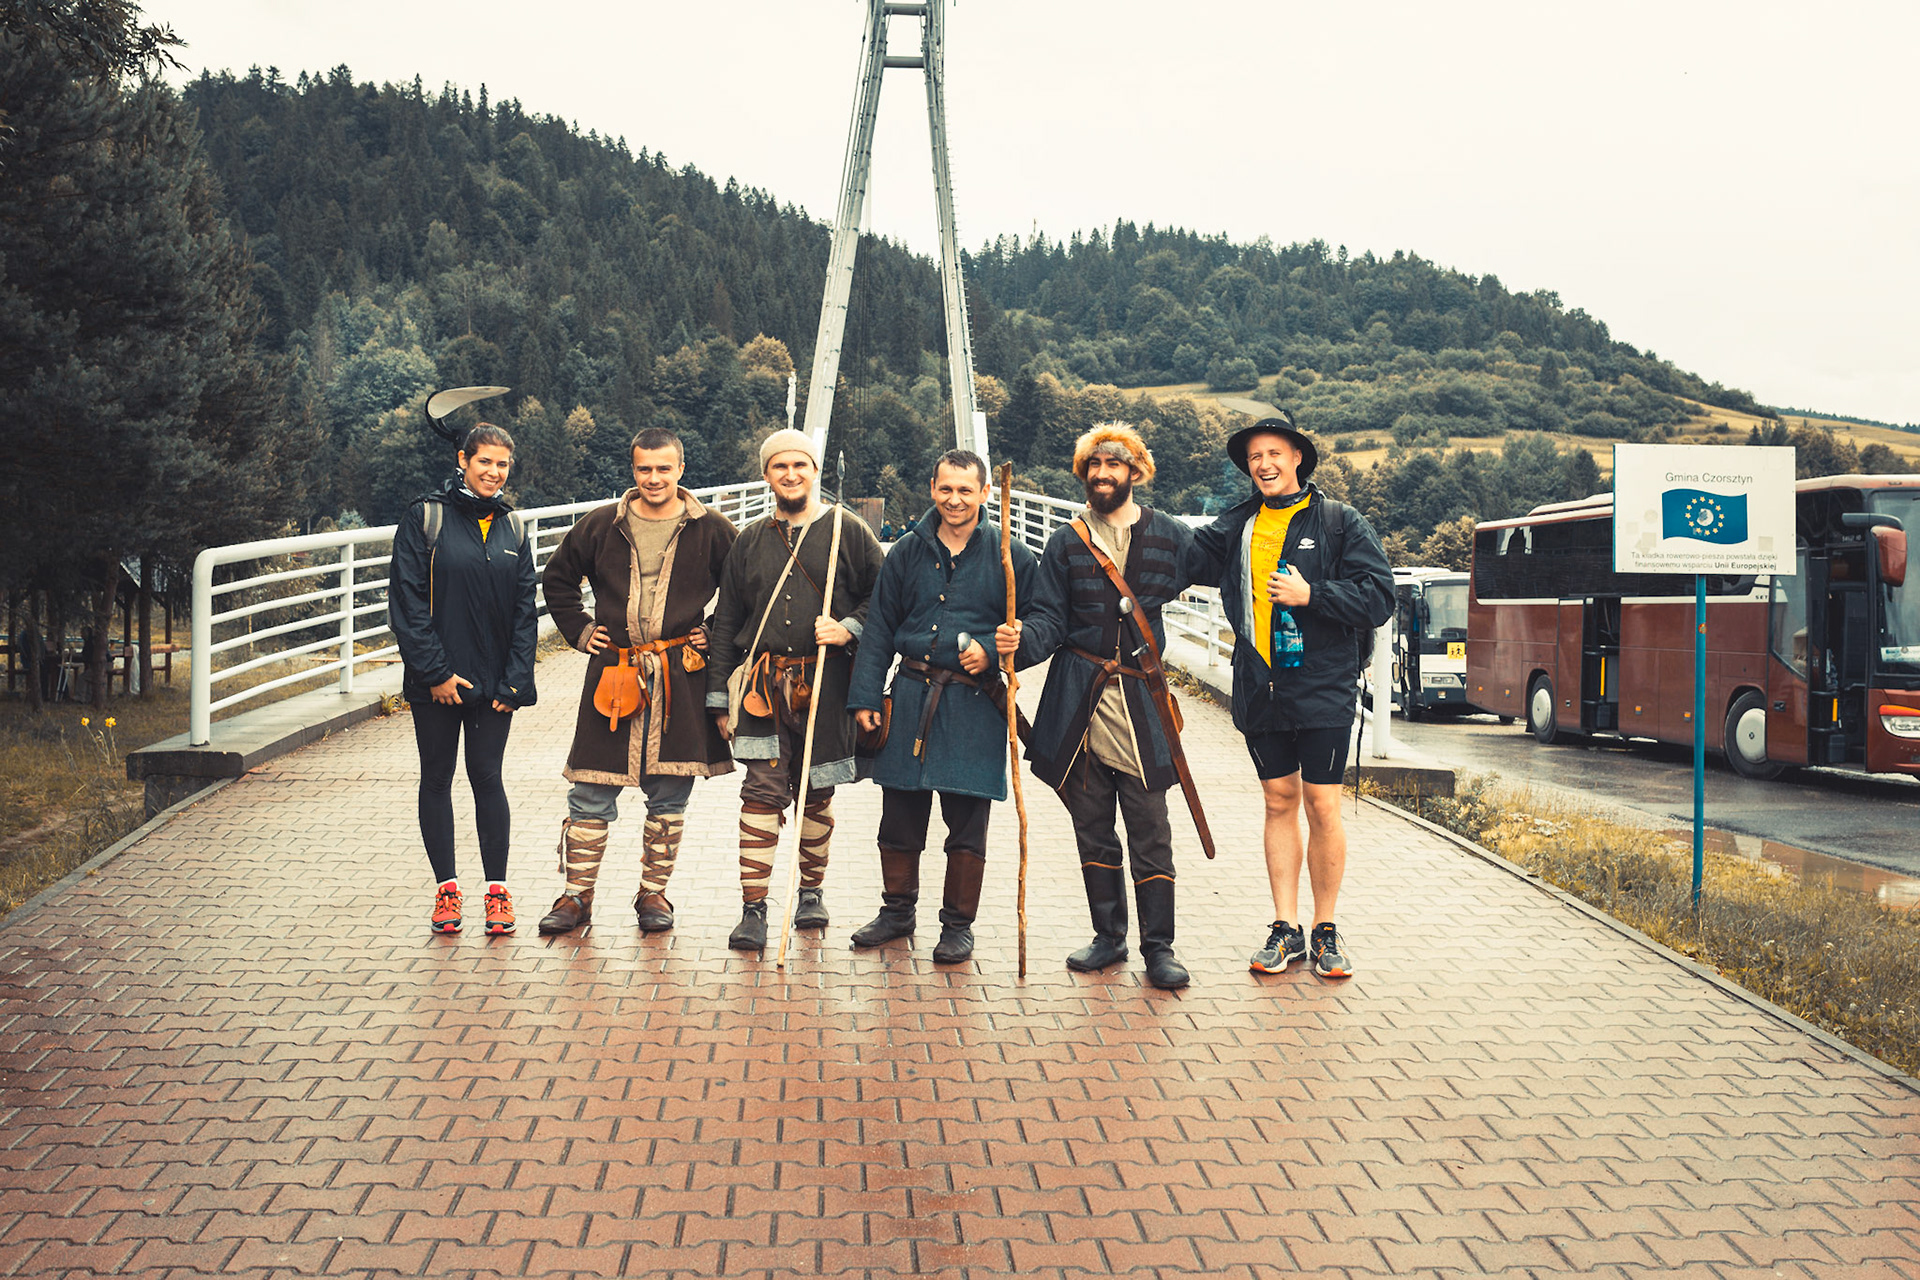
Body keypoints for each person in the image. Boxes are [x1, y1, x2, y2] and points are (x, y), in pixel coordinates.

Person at [995, 423, 1202, 990]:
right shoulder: (1065, 542)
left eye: (1115, 465)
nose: (1103, 474)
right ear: (1084, 474)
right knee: (1092, 827)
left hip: (1141, 701)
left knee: (1150, 829)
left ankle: (1159, 947)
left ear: (1135, 472)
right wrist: (1019, 644)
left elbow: (1220, 565)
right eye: (1094, 465)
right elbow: (1048, 618)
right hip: (1078, 702)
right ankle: (1109, 937)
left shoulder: (1170, 535)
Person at [1189, 413, 1393, 979]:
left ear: (1297, 457)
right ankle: (1286, 927)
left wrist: (1313, 594)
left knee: (1322, 803)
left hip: (1324, 685)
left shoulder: (1339, 521)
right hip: (1261, 686)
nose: (1264, 464)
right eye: (1255, 457)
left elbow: (1379, 598)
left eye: (1274, 453)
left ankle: (1326, 928)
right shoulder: (1237, 524)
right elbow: (1178, 555)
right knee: (1278, 800)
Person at [535, 428, 738, 936]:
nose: (654, 478)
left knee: (669, 794)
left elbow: (745, 590)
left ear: (680, 469)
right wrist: (580, 630)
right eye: (644, 468)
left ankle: (653, 894)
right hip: (614, 671)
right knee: (590, 788)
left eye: (664, 468)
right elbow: (557, 579)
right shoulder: (602, 524)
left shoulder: (711, 528)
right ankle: (576, 896)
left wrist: (714, 631)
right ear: (633, 470)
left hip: (678, 675)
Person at [847, 450, 1037, 962]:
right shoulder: (906, 551)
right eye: (946, 489)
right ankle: (896, 913)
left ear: (984, 493)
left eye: (965, 490)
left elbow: (1044, 621)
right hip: (910, 696)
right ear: (932, 488)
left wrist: (998, 647)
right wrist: (866, 696)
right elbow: (880, 626)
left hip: (975, 704)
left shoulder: (1011, 555)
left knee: (968, 823)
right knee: (899, 818)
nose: (955, 500)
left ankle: (957, 926)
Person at [705, 428, 882, 951]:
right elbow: (727, 620)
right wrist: (719, 698)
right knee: (761, 791)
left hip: (827, 684)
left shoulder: (849, 531)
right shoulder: (749, 540)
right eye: (780, 466)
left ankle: (810, 892)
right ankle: (754, 908)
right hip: (763, 688)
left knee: (817, 791)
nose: (791, 474)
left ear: (815, 470)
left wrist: (848, 628)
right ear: (766, 475)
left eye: (800, 465)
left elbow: (884, 598)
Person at [389, 423, 539, 935]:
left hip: (493, 686)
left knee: (487, 777)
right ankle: (447, 891)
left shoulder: (513, 527)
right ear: (463, 460)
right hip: (436, 684)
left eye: (502, 464)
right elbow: (407, 603)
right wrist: (435, 673)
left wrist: (515, 683)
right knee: (436, 778)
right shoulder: (425, 517)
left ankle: (497, 893)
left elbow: (525, 612)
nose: (494, 473)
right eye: (485, 462)